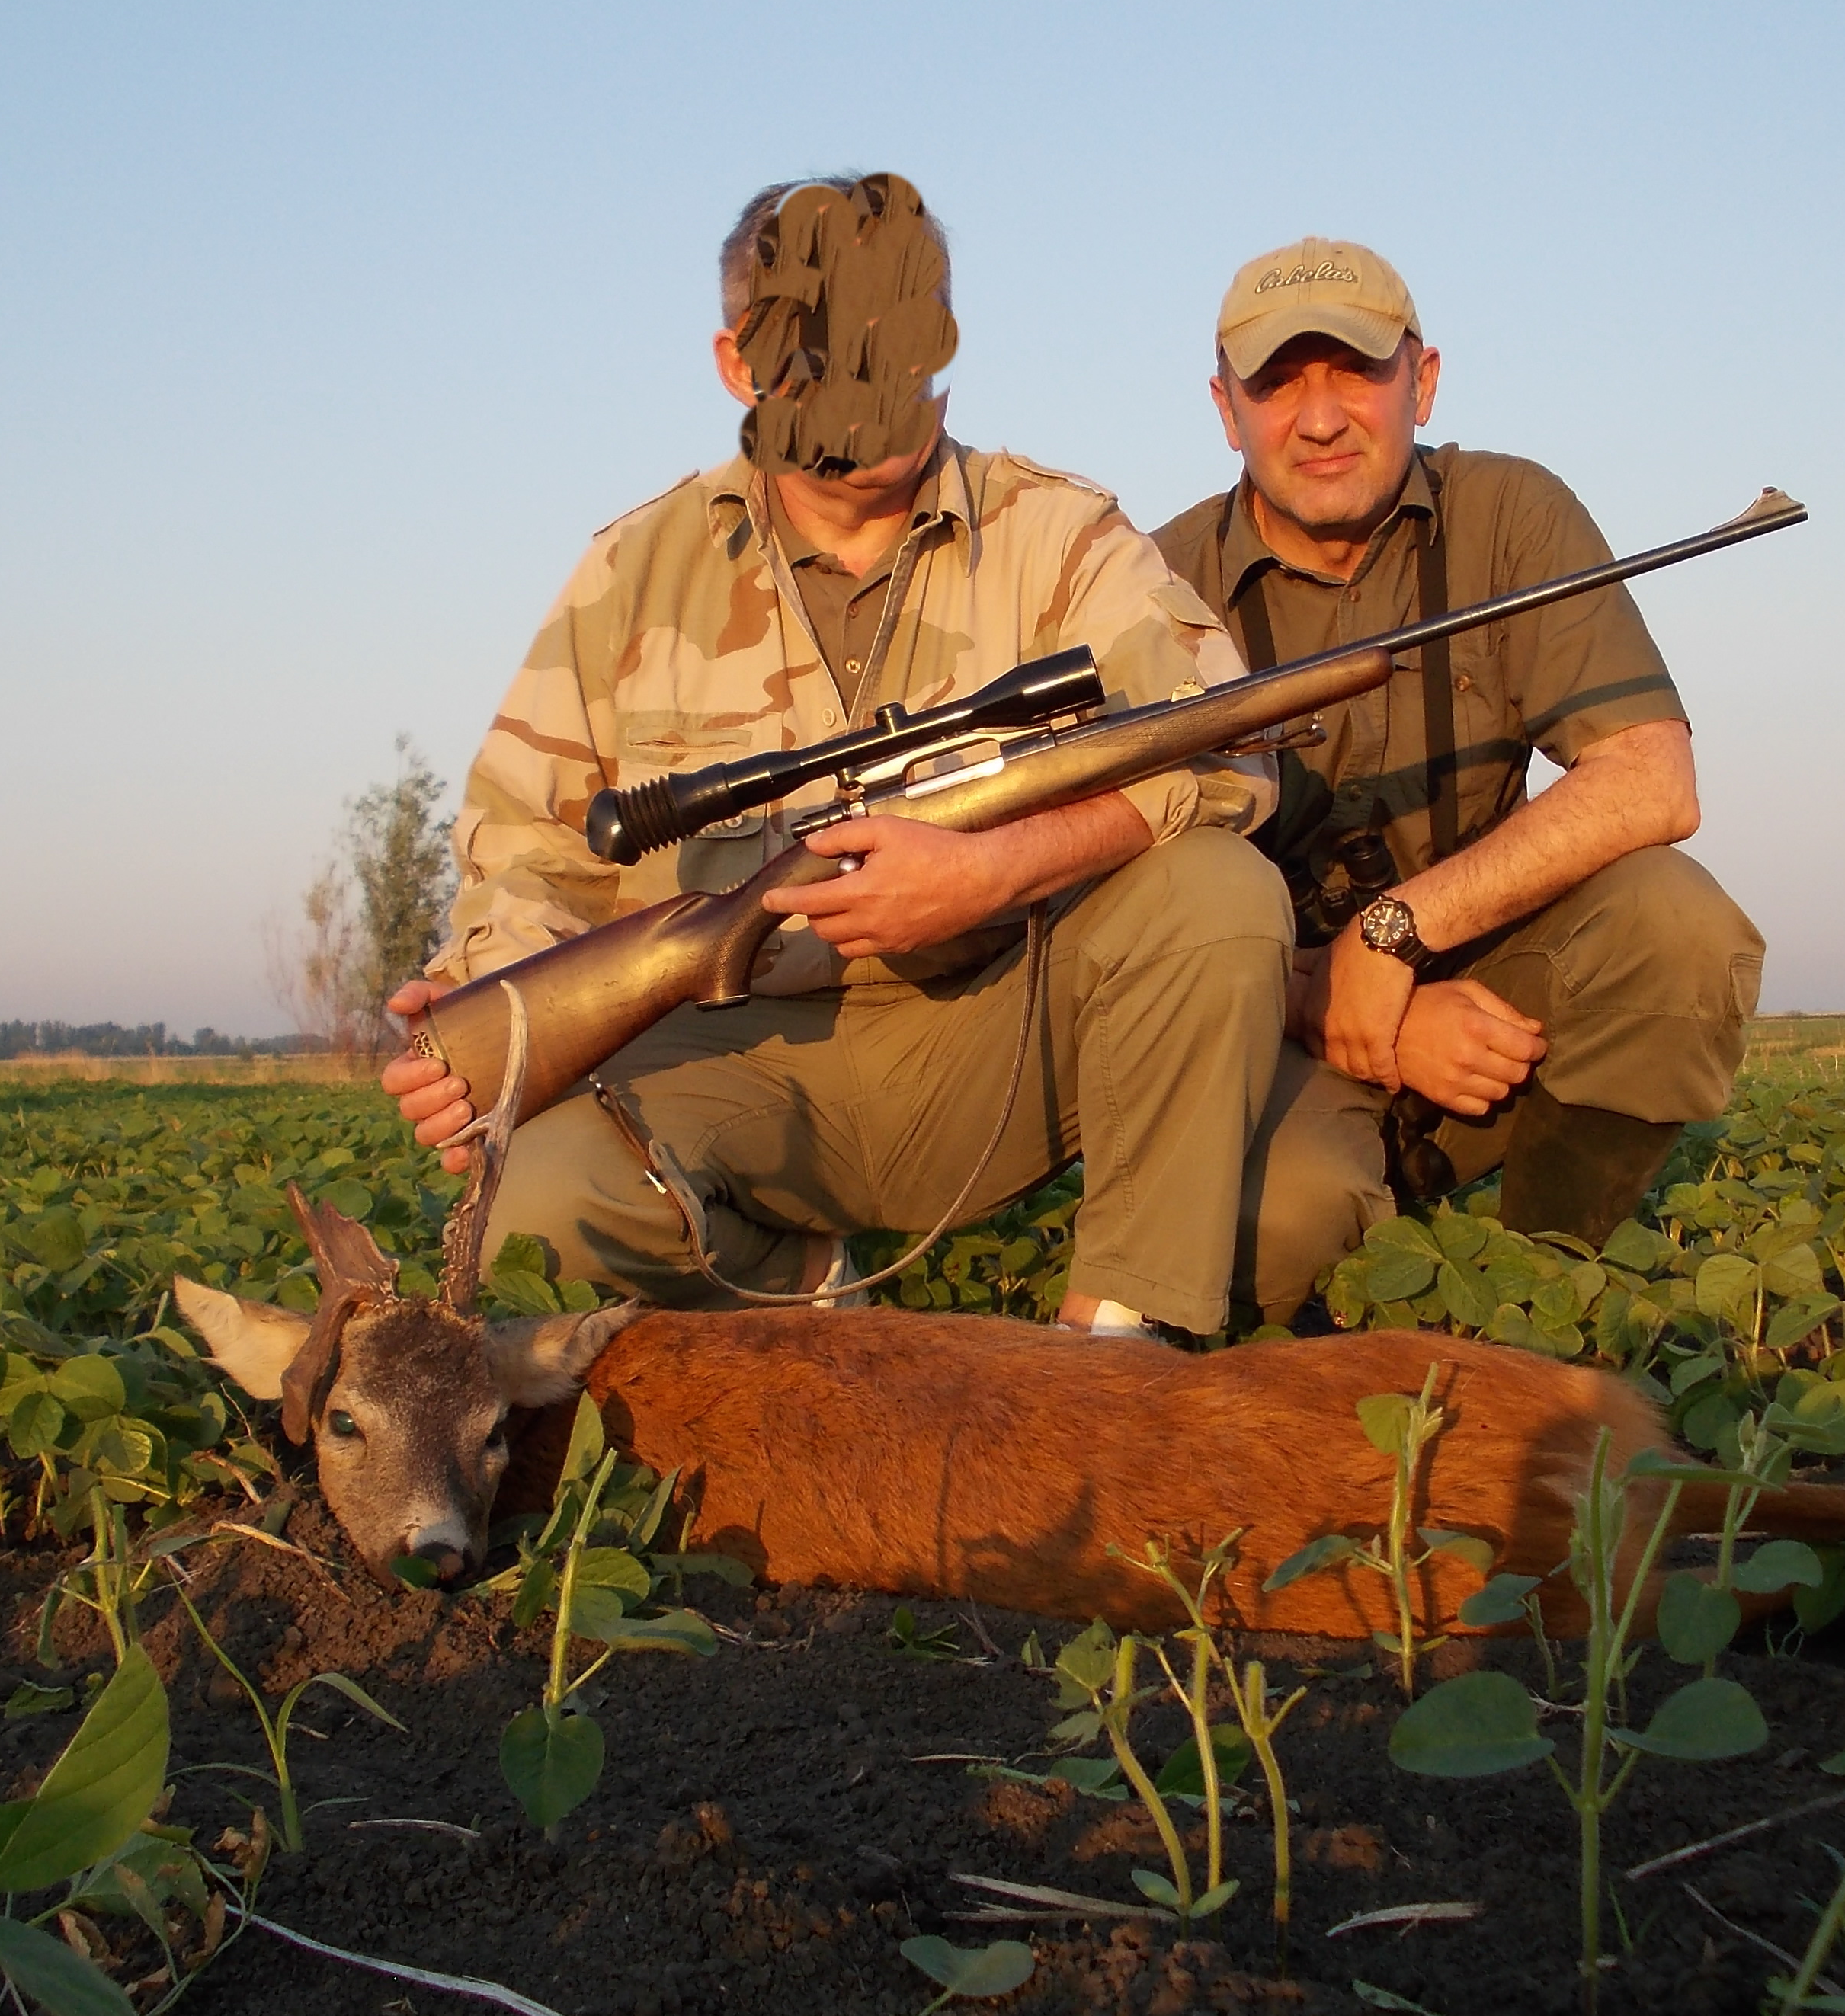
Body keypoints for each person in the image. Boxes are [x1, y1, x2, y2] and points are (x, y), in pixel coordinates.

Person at [379, 175, 1285, 1337]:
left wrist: (995, 870)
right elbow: (524, 850)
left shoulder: (1061, 534)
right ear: (737, 364)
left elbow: (1229, 749)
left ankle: (1111, 1350)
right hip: (734, 1060)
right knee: (534, 1205)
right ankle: (793, 1283)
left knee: (1217, 890)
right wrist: (497, 1017)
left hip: (989, 1036)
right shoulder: (632, 569)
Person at [1151, 238, 1766, 1321]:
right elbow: (1122, 918)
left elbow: (1650, 779)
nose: (1321, 418)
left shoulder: (1514, 511)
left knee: (1678, 927)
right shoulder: (1155, 589)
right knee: (1278, 1229)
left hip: (1480, 991)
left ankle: (1541, 1294)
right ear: (1225, 410)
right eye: (1278, 383)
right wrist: (1341, 1006)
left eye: (1356, 371)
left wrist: (1395, 934)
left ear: (1422, 381)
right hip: (1270, 1019)